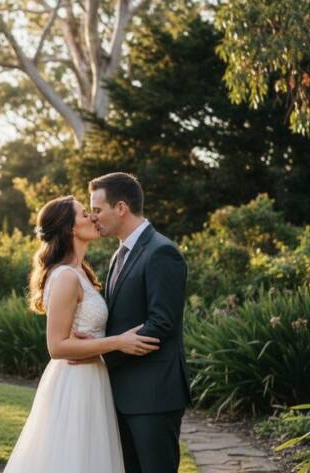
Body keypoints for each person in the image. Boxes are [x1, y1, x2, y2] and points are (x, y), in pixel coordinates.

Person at [3, 195, 161, 473]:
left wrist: (101, 345)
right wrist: (118, 343)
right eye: (84, 214)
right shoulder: (65, 276)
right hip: (74, 382)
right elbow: (57, 346)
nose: (93, 217)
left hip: (93, 377)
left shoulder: (83, 273)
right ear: (69, 228)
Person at [82, 172, 192, 473]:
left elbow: (162, 323)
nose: (93, 217)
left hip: (153, 395)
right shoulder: (120, 254)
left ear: (120, 208)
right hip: (122, 393)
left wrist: (104, 350)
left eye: (98, 209)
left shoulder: (161, 252)